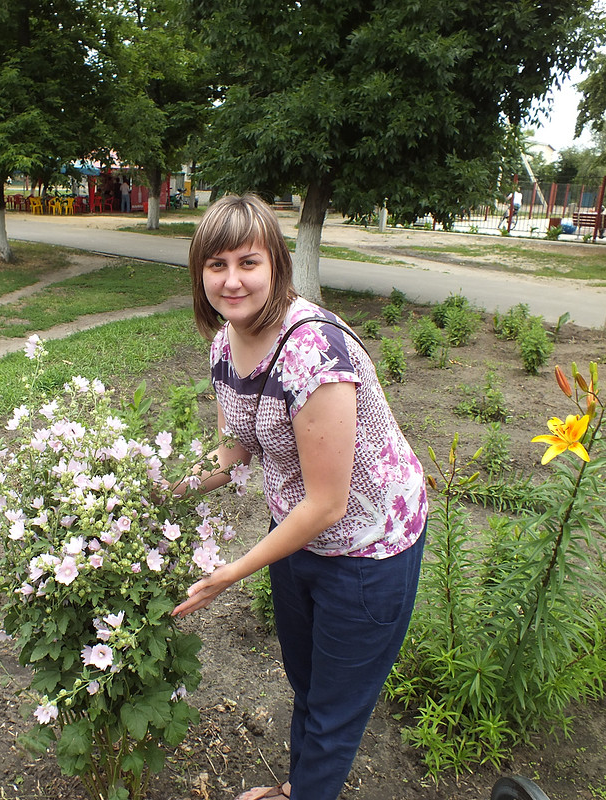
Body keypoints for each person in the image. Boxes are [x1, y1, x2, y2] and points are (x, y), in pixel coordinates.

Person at [172, 194, 427, 800]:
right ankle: (300, 787)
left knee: (336, 708)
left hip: (369, 550)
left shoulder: (314, 353)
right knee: (309, 684)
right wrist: (160, 489)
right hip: (298, 534)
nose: (232, 280)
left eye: (248, 262)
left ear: (276, 266)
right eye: (216, 265)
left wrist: (230, 572)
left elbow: (329, 504)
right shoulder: (224, 345)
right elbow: (235, 453)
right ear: (199, 273)